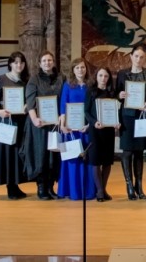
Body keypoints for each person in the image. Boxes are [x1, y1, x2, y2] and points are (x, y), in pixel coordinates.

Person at [23, 51, 65, 200]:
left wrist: (62, 117)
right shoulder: (34, 79)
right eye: (44, 60)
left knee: (54, 154)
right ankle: (41, 187)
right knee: (41, 155)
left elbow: (64, 99)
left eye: (50, 60)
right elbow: (30, 101)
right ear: (40, 63)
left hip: (55, 123)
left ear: (53, 62)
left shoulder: (61, 78)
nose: (47, 63)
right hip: (39, 124)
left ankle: (50, 186)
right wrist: (34, 119)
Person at [0, 52, 30, 199]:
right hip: (5, 120)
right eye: (16, 62)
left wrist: (26, 106)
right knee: (7, 153)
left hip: (20, 121)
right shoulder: (2, 79)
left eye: (22, 62)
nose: (19, 65)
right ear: (10, 64)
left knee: (17, 154)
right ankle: (10, 187)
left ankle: (15, 185)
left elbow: (29, 100)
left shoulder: (25, 81)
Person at [116, 45, 146, 200]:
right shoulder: (122, 74)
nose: (139, 59)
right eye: (136, 56)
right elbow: (115, 94)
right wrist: (120, 94)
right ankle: (129, 186)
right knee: (127, 151)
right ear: (131, 57)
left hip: (141, 116)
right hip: (126, 116)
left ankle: (139, 186)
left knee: (139, 152)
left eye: (142, 57)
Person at [58, 58, 96, 200]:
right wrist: (62, 124)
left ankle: (87, 191)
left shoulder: (91, 85)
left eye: (83, 67)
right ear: (73, 70)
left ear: (86, 69)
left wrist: (89, 125)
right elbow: (63, 105)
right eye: (78, 68)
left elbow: (93, 106)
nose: (81, 70)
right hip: (71, 129)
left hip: (85, 128)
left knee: (86, 159)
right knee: (73, 159)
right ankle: (73, 190)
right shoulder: (68, 85)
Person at [84, 66, 120, 201]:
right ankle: (99, 191)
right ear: (96, 77)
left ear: (109, 78)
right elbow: (86, 111)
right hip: (95, 130)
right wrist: (94, 123)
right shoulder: (91, 91)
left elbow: (117, 111)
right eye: (100, 76)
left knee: (107, 161)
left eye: (105, 76)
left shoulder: (112, 93)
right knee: (95, 161)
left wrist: (117, 122)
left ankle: (103, 189)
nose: (103, 78)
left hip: (109, 131)